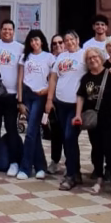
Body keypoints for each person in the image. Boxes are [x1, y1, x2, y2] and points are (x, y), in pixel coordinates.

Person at [73, 47, 111, 197]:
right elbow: (81, 96)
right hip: (94, 120)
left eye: (95, 57)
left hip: (109, 118)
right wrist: (78, 115)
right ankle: (99, 179)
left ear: (101, 58)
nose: (92, 60)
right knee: (97, 149)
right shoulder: (86, 78)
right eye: (89, 58)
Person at [46, 31, 89, 191]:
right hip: (61, 104)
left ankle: (70, 175)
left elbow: (97, 69)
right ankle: (75, 172)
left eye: (72, 39)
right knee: (67, 139)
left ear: (77, 40)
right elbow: (53, 78)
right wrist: (50, 100)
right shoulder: (61, 57)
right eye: (66, 40)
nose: (69, 42)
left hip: (76, 105)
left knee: (70, 137)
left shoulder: (84, 54)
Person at [0, 20, 22, 176]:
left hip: (12, 95)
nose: (7, 31)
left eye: (10, 29)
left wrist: (21, 97)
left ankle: (14, 162)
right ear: (0, 30)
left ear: (13, 31)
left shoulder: (20, 48)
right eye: (4, 29)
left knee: (11, 128)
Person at [17, 30, 52, 180]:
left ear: (42, 41)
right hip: (27, 94)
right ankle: (40, 166)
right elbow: (19, 79)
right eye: (31, 41)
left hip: (40, 96)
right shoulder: (25, 57)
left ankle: (25, 168)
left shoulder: (49, 57)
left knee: (31, 132)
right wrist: (19, 100)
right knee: (34, 133)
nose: (34, 43)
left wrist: (48, 93)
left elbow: (53, 79)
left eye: (36, 40)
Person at [46, 34, 65, 174]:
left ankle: (71, 163)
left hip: (70, 102)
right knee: (56, 133)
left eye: (60, 42)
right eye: (54, 43)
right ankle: (55, 160)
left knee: (70, 134)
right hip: (54, 101)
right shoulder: (49, 59)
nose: (57, 45)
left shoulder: (75, 58)